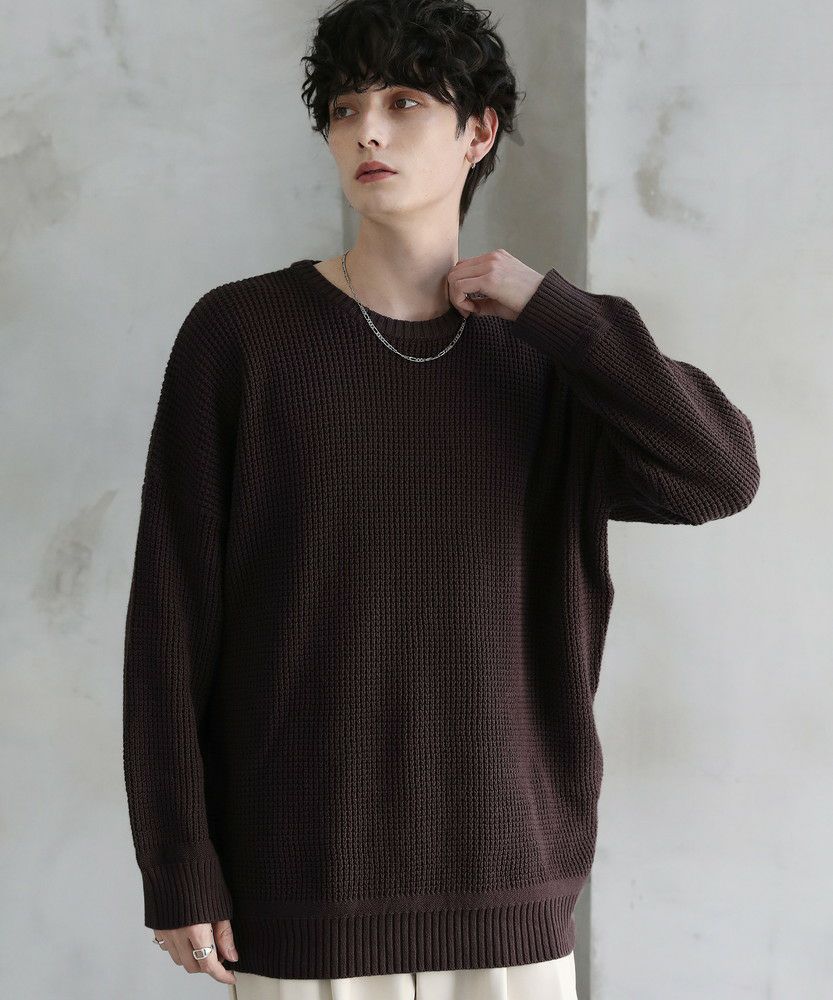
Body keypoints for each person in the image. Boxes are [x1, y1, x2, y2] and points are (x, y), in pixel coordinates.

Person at [122, 1, 761, 997]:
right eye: (344, 109)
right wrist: (177, 863)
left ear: (477, 131)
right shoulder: (243, 336)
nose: (366, 131)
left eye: (403, 101)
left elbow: (717, 474)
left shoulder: (541, 359)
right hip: (301, 885)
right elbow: (169, 620)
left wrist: (553, 312)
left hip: (507, 882)